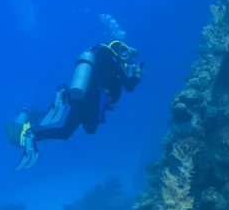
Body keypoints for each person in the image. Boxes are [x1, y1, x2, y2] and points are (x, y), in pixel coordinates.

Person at [9, 39, 143, 170]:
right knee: (90, 130)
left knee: (65, 133)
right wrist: (137, 75)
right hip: (98, 98)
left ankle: (35, 133)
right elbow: (129, 87)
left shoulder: (100, 58)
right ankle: (65, 96)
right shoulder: (115, 66)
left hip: (82, 95)